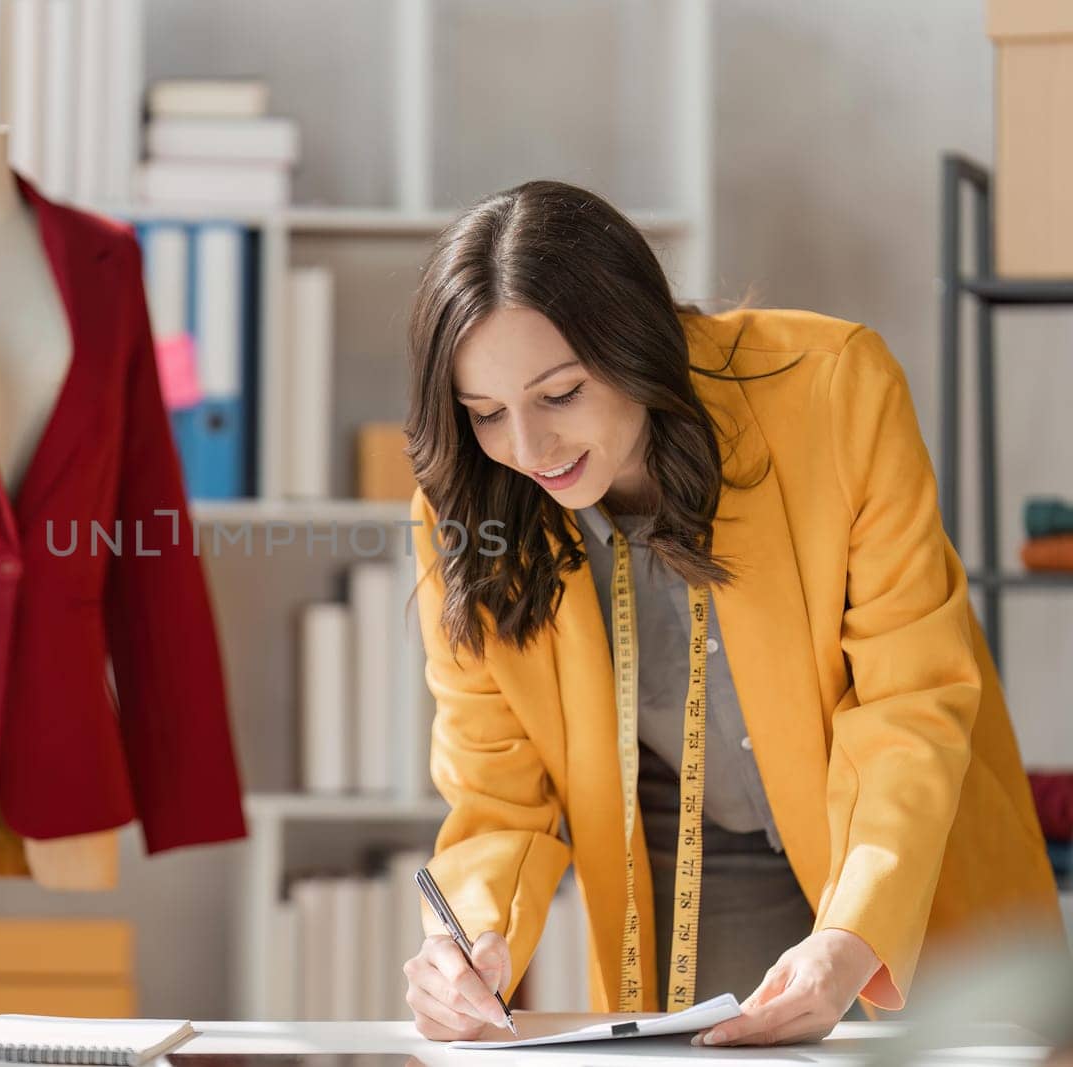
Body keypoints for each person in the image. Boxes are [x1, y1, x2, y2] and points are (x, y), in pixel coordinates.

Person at [399, 180, 1063, 1046]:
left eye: (560, 395)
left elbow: (910, 699)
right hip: (685, 867)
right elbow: (495, 790)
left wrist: (851, 935)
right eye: (486, 413)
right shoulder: (469, 502)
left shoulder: (835, 392)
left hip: (896, 857)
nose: (529, 449)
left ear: (635, 340)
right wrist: (472, 937)